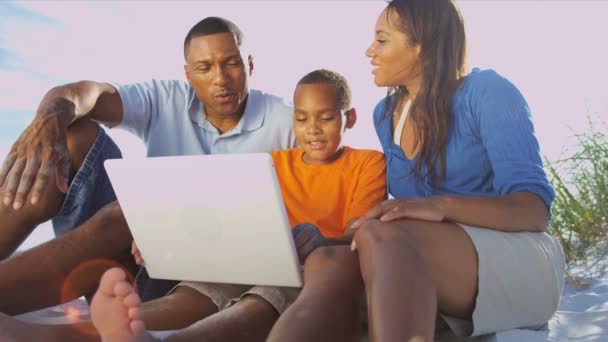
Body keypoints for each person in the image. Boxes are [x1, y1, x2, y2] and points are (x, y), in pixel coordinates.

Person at [266, 1, 567, 341]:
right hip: (435, 262)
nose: (369, 51)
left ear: (420, 45)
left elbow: (534, 211)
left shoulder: (487, 92)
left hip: (517, 261)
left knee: (380, 234)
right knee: (329, 260)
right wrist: (327, 242)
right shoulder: (387, 113)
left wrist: (438, 206)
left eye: (382, 40)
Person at [0, 17, 297, 341]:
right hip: (139, 263)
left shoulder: (288, 122)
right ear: (188, 73)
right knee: (73, 134)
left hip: (205, 285)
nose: (220, 79)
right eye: (204, 67)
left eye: (231, 64)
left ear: (249, 64)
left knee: (127, 214)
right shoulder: (168, 99)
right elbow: (88, 94)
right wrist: (50, 117)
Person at [86, 68, 387, 342]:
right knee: (205, 285)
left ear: (350, 118)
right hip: (263, 261)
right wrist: (158, 234)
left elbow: (360, 232)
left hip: (316, 270)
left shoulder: (368, 162)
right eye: (301, 118)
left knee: (263, 299)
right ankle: (116, 329)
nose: (312, 129)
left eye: (326, 117)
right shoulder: (274, 162)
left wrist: (324, 241)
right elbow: (229, 214)